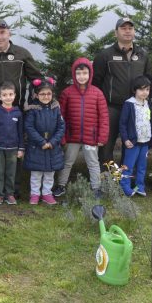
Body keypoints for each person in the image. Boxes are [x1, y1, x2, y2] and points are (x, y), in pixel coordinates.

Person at [0, 19, 42, 197]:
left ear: (9, 33)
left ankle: (13, 188)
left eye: (2, 32)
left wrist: (42, 94)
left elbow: (36, 79)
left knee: (15, 147)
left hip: (14, 110)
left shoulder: (21, 54)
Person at [93, 17, 150, 168]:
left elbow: (148, 80)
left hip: (135, 108)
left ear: (134, 31)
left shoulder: (143, 55)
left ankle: (126, 178)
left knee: (131, 145)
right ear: (115, 32)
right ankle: (106, 178)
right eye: (123, 28)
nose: (127, 31)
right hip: (111, 107)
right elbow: (95, 82)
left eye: (130, 28)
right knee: (106, 145)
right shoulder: (105, 55)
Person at [54, 58, 109, 199]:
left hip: (91, 137)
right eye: (78, 73)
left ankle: (96, 188)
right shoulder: (67, 93)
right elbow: (61, 117)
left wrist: (102, 137)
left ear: (90, 74)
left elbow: (104, 117)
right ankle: (61, 186)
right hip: (72, 136)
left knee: (93, 163)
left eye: (85, 73)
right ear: (74, 74)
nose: (82, 76)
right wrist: (63, 136)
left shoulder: (97, 93)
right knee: (67, 162)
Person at [23, 78, 65, 205]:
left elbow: (61, 127)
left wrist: (52, 142)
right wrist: (41, 142)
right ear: (36, 94)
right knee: (36, 174)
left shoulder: (56, 108)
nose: (46, 96)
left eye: (48, 94)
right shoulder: (33, 109)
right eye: (42, 94)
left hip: (53, 146)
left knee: (49, 174)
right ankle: (35, 194)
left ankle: (47, 193)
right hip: (37, 147)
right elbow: (29, 127)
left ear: (52, 94)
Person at [0, 81, 25, 205]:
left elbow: (20, 132)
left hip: (13, 149)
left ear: (14, 95)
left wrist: (21, 148)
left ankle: (10, 194)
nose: (8, 97)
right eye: (4, 95)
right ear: (0, 97)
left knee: (11, 173)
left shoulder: (17, 113)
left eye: (10, 94)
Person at [118, 76, 152, 197]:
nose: (144, 92)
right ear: (135, 90)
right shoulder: (129, 104)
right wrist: (125, 139)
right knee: (128, 166)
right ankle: (124, 186)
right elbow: (122, 123)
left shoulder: (147, 103)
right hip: (132, 142)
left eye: (147, 89)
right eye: (141, 89)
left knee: (142, 166)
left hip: (145, 142)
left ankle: (139, 186)